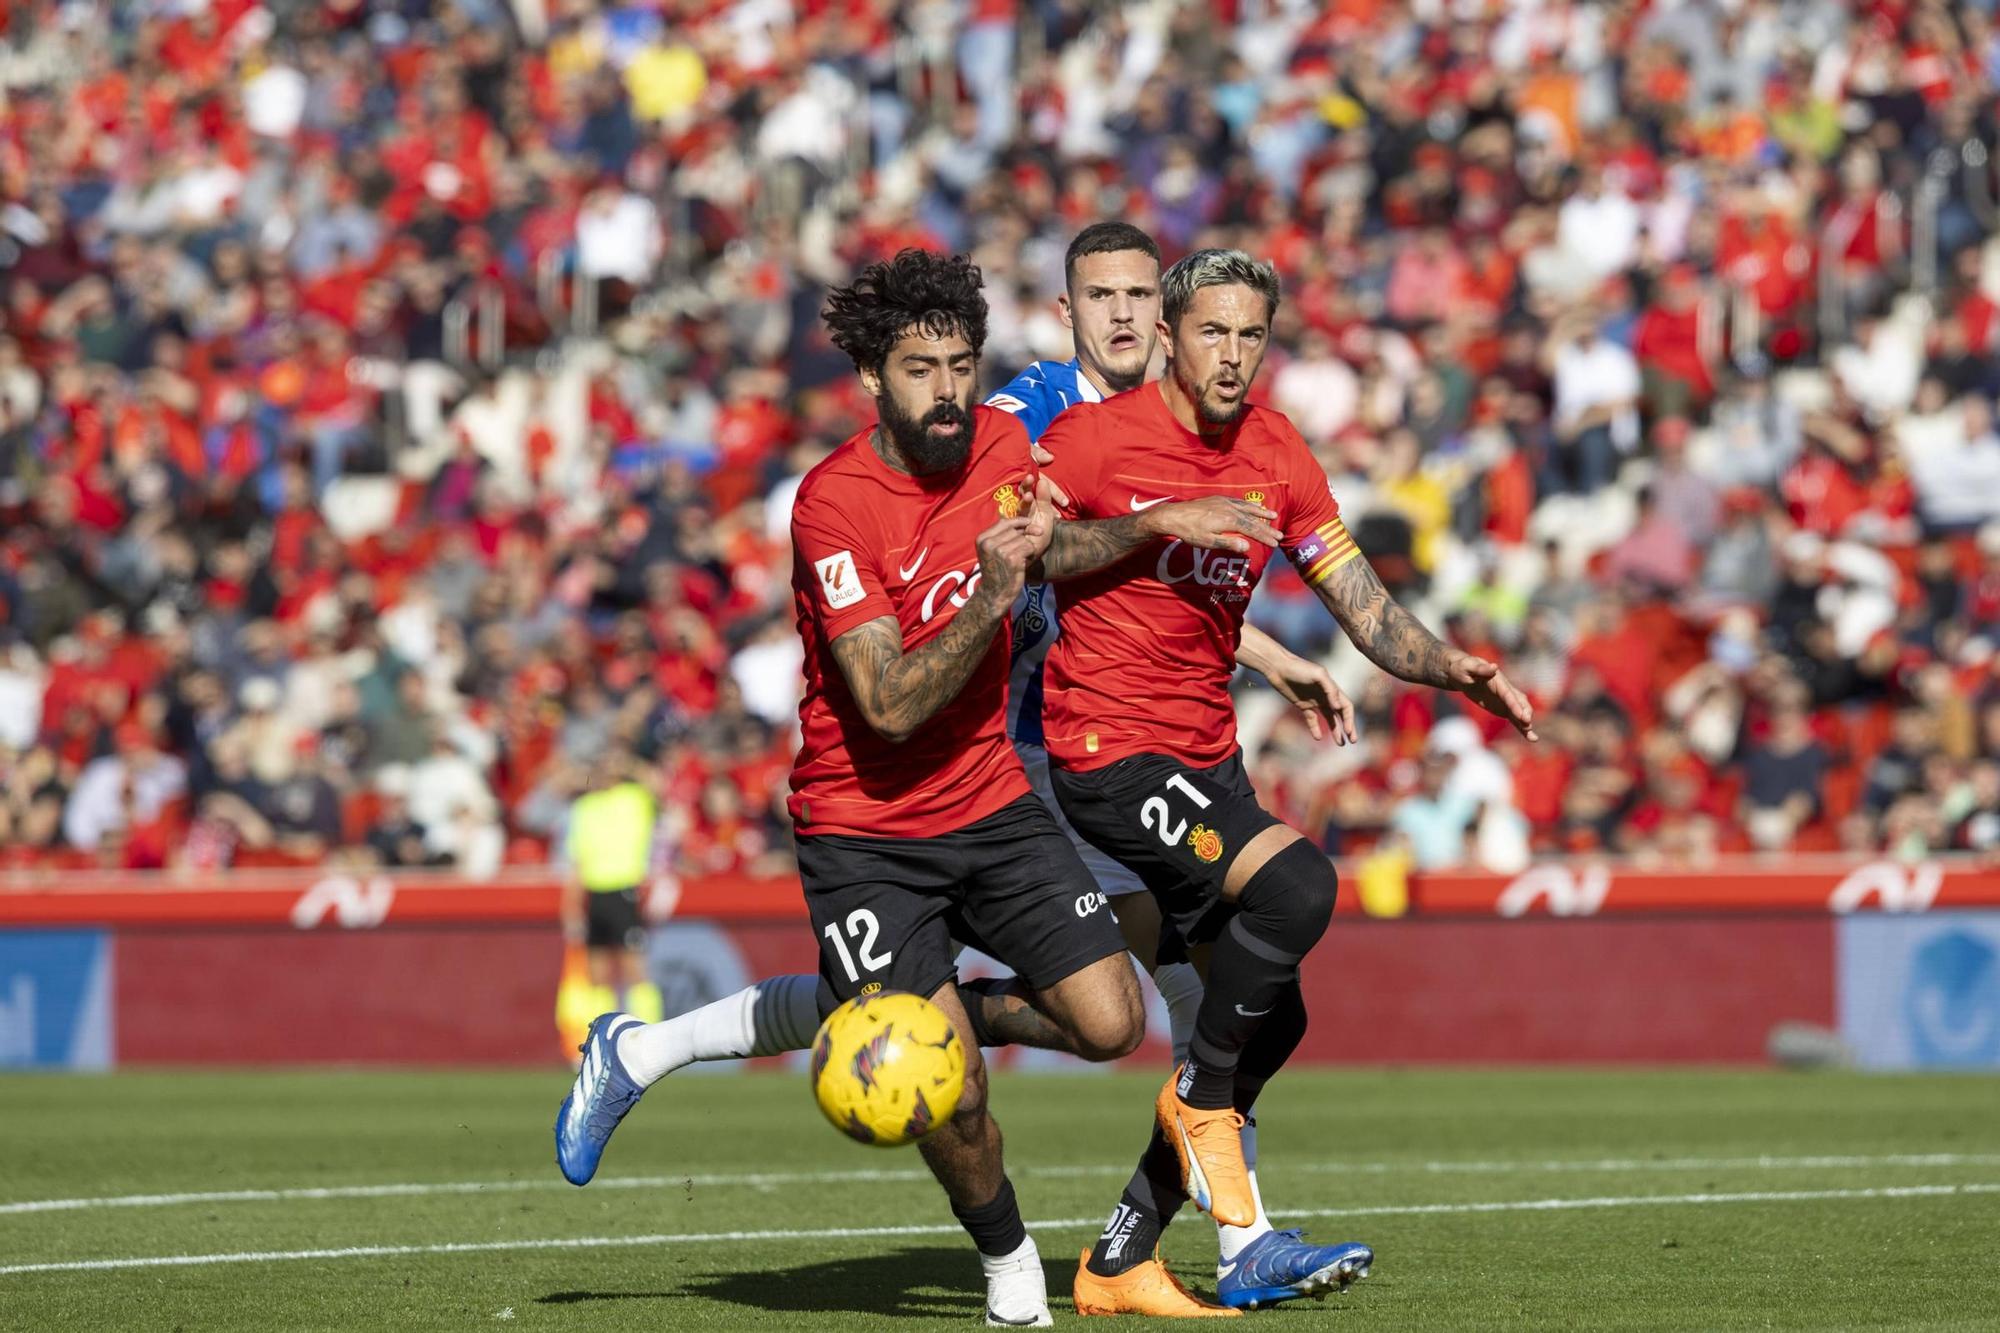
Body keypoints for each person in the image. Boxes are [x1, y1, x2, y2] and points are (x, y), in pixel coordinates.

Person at [556, 248, 1265, 1327]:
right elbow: (885, 700)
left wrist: (1148, 527)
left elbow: (1053, 543)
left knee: (1112, 1022)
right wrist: (992, 594)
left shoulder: (1000, 441)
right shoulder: (832, 505)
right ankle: (1009, 1265)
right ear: (871, 381)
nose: (947, 390)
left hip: (990, 798)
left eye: (961, 364)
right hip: (864, 829)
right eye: (920, 369)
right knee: (952, 1087)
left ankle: (675, 1042)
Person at [1036, 250, 1535, 1317]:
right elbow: (1022, 552)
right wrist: (1150, 523)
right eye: (1210, 332)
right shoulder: (1092, 438)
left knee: (1273, 1017)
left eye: (1249, 336)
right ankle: (1215, 1146)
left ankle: (1123, 1252)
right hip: (1104, 750)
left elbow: (1359, 601)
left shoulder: (1275, 452)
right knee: (1299, 888)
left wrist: (1447, 665)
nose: (1230, 355)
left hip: (1203, 754)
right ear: (1167, 336)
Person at [558, 749, 666, 1027]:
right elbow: (577, 862)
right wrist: (571, 906)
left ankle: (646, 1032)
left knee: (633, 967)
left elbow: (659, 785)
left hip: (625, 889)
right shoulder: (584, 808)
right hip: (595, 893)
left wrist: (630, 763)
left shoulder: (634, 798)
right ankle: (600, 1033)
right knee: (597, 971)